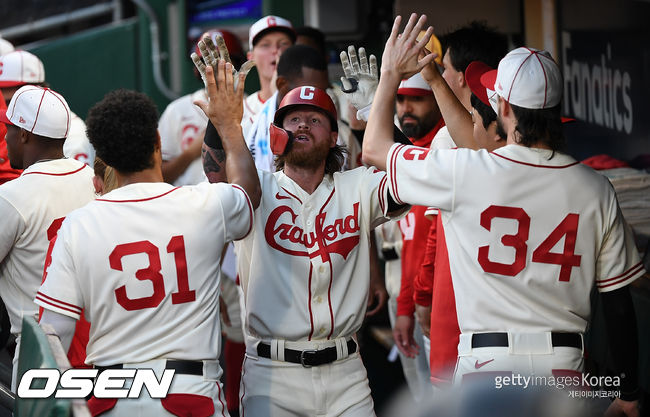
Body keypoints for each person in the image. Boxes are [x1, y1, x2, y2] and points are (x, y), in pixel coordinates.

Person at [363, 14, 643, 416]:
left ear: (505, 109)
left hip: (486, 369)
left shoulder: (466, 171)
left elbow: (374, 148)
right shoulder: (596, 188)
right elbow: (618, 306)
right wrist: (628, 391)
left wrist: (390, 73)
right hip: (563, 370)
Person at [37, 57, 261, 416]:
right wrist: (229, 125)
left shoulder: (75, 226)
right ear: (157, 141)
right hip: (191, 395)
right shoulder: (203, 204)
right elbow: (249, 192)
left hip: (112, 400)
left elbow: (51, 336)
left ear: (103, 158)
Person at [0, 85, 95, 388]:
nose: (5, 137)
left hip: (40, 353)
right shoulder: (93, 179)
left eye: (10, 129)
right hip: (100, 343)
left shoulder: (12, 196)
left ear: (25, 135)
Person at [159, 29, 247, 186]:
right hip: (186, 204)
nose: (215, 68)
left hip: (237, 202)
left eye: (222, 61)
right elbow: (158, 177)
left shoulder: (253, 106)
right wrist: (189, 153)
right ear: (197, 68)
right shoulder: (177, 110)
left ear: (237, 64)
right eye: (207, 61)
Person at [0, 50, 95, 167]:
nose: (5, 109)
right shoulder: (14, 129)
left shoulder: (73, 136)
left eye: (9, 102)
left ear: (37, 89)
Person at [242, 15, 295, 135]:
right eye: (265, 45)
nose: (275, 50)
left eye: (283, 44)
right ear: (251, 57)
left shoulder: (309, 102)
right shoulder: (239, 111)